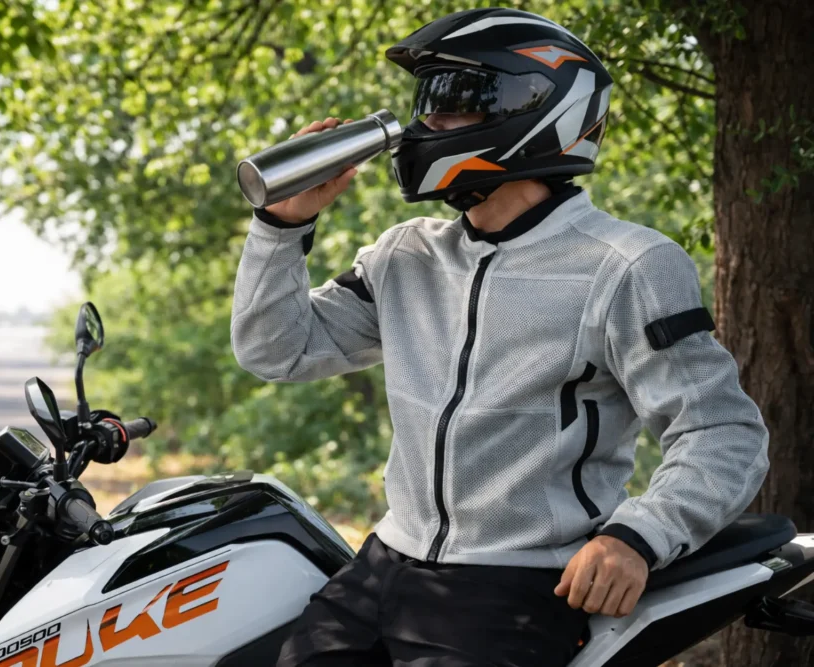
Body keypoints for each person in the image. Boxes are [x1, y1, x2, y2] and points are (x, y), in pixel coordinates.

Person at [231, 7, 769, 666]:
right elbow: (278, 349)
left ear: (533, 109)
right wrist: (280, 229)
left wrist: (638, 535)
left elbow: (721, 431)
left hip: (514, 584)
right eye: (426, 103)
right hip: (384, 563)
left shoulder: (625, 264)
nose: (425, 125)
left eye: (451, 103)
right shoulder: (406, 255)